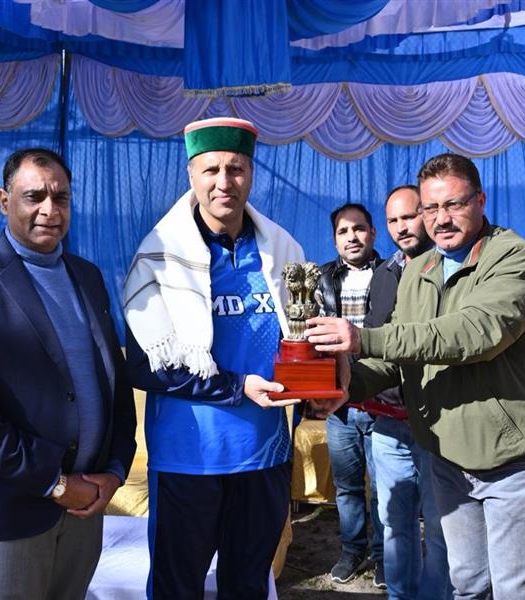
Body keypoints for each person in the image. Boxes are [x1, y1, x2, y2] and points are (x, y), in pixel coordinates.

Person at [305, 153, 525, 599]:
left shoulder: (516, 258)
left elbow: (474, 333)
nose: (441, 220)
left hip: (511, 457)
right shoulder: (419, 270)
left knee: (515, 590)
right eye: (430, 208)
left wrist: (363, 338)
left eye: (454, 205)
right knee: (466, 583)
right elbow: (399, 359)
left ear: (480, 200)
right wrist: (345, 386)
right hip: (447, 453)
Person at [0, 148, 137, 600]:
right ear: (5, 201)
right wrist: (56, 484)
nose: (50, 210)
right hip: (11, 515)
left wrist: (115, 471)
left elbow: (113, 384)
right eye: (34, 196)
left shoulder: (86, 276)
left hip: (85, 510)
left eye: (61, 198)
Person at [122, 117, 304, 599]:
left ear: (251, 174)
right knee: (177, 588)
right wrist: (236, 386)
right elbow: (143, 365)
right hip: (189, 458)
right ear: (191, 175)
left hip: (264, 453)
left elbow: (300, 344)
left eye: (236, 168)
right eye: (211, 170)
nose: (225, 182)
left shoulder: (283, 252)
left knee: (247, 585)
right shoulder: (160, 257)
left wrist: (319, 388)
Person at [365, 185, 451, 599]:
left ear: (428, 214)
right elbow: (376, 338)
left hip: (436, 426)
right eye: (393, 220)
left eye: (409, 216)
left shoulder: (451, 268)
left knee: (440, 527)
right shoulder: (384, 273)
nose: (401, 227)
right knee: (394, 525)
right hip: (387, 425)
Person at [317, 202, 385, 587]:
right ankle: (352, 550)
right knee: (347, 487)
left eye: (359, 228)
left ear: (373, 233)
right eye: (343, 231)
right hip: (339, 405)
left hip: (382, 400)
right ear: (334, 240)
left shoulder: (394, 274)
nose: (352, 237)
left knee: (384, 488)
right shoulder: (320, 279)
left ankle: (385, 556)